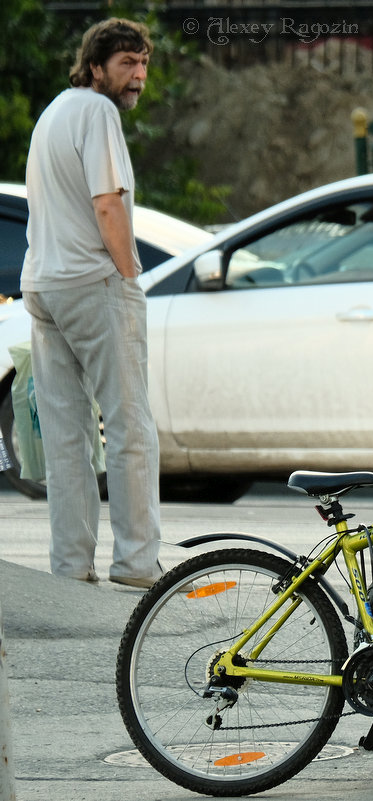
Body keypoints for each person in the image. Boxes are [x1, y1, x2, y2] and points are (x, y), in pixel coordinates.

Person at [20, 18, 163, 588]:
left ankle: (69, 566)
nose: (140, 77)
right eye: (128, 63)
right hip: (92, 284)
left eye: (144, 64)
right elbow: (109, 205)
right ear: (96, 66)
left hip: (44, 286)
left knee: (66, 436)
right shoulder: (98, 113)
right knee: (131, 428)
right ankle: (135, 565)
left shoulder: (53, 111)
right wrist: (128, 274)